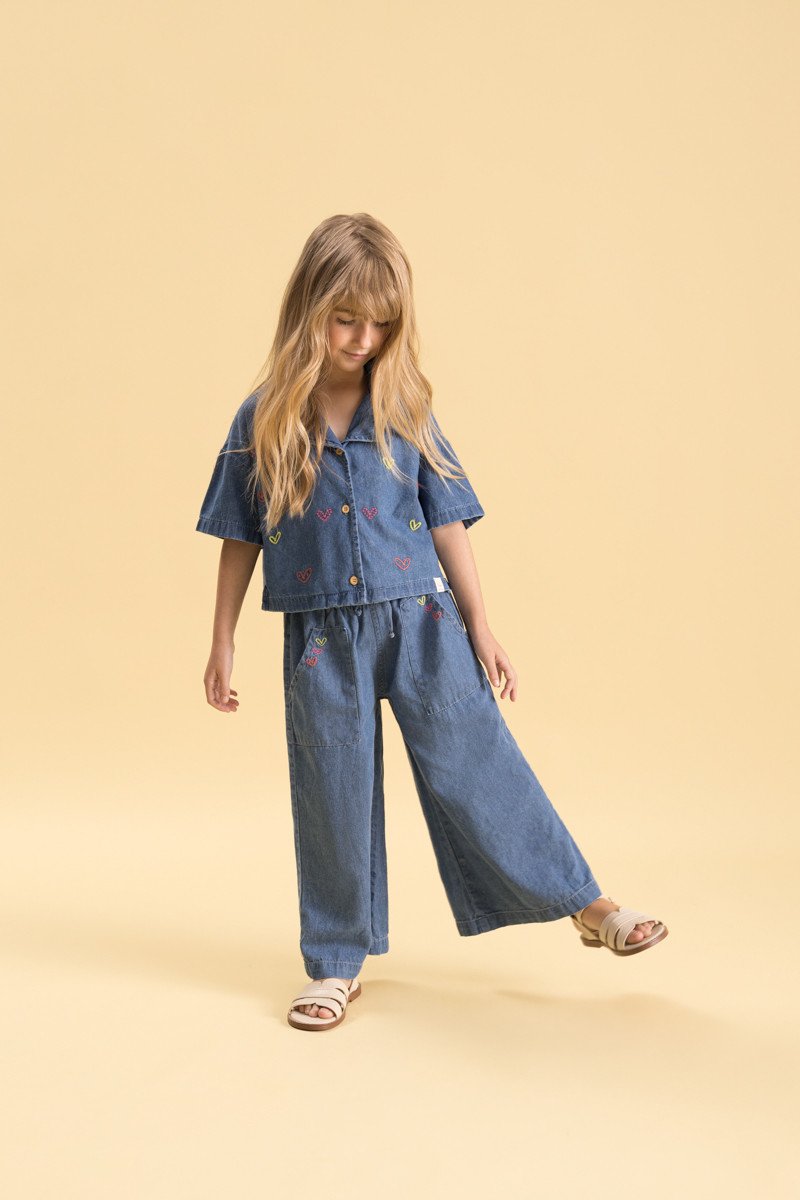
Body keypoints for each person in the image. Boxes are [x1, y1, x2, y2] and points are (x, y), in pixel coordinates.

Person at [195, 213, 668, 1032]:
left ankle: (588, 905)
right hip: (320, 639)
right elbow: (239, 534)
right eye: (347, 319)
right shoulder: (263, 416)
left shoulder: (406, 408)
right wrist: (222, 640)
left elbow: (448, 521)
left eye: (381, 323)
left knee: (480, 765)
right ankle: (335, 962)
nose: (363, 339)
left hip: (424, 623)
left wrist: (481, 624)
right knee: (332, 793)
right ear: (310, 309)